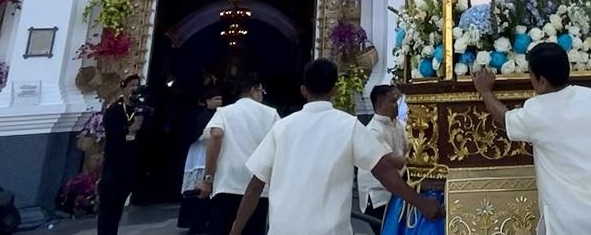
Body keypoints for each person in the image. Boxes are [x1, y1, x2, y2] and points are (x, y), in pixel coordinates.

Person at [228, 59, 442, 235]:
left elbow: (255, 185)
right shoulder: (348, 126)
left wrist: (235, 230)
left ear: (304, 90)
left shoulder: (281, 128)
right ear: (334, 89)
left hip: (284, 229)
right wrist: (422, 203)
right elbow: (384, 172)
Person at [472, 43, 591, 235]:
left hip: (566, 224)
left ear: (541, 81)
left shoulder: (536, 111)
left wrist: (486, 92)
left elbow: (505, 121)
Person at [199, 77, 279, 235]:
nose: (262, 96)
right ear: (253, 90)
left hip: (227, 183)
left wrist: (207, 178)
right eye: (261, 91)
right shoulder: (271, 114)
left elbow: (216, 135)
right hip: (258, 187)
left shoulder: (224, 112)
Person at [97, 74, 145, 235]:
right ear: (123, 87)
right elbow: (112, 132)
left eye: (137, 85)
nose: (134, 89)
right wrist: (129, 129)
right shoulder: (115, 109)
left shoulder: (139, 109)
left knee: (118, 204)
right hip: (114, 162)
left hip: (130, 162)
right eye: (131, 85)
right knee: (108, 205)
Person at [357, 84, 408, 224]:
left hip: (396, 191)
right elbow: (390, 161)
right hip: (378, 196)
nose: (397, 105)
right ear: (380, 104)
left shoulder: (397, 124)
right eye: (393, 101)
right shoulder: (373, 131)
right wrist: (417, 162)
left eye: (398, 101)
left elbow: (409, 149)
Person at [178, 87, 223, 233]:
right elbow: (192, 133)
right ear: (208, 101)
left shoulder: (222, 115)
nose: (219, 102)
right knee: (196, 189)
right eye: (216, 99)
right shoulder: (200, 115)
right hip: (199, 154)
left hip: (213, 155)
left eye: (220, 99)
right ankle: (194, 223)